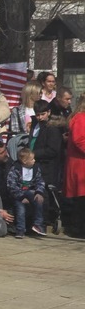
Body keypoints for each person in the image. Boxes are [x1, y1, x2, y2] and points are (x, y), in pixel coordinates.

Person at [7, 147, 47, 239]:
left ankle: (38, 224)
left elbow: (40, 181)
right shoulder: (15, 169)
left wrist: (39, 192)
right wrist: (21, 197)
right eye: (32, 159)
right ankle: (20, 230)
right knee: (21, 210)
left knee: (38, 200)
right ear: (25, 161)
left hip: (31, 192)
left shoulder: (36, 169)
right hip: (18, 195)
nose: (34, 160)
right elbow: (11, 185)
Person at [65, 93, 85, 237]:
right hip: (80, 164)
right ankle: (77, 229)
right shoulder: (79, 118)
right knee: (81, 199)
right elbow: (79, 140)